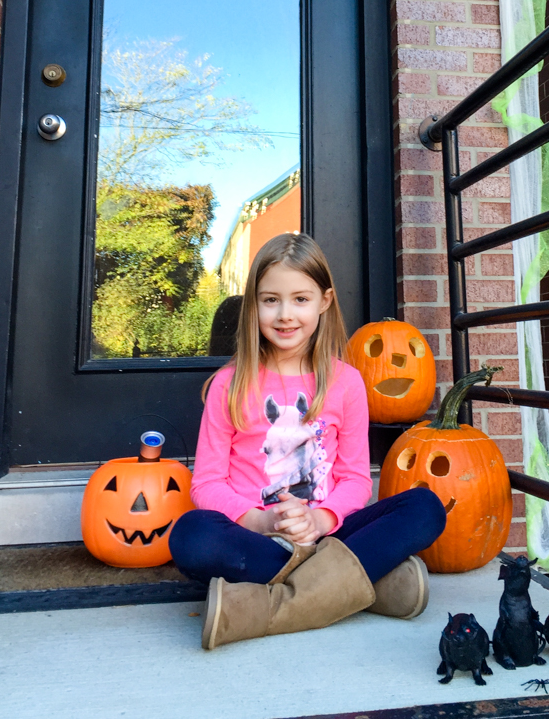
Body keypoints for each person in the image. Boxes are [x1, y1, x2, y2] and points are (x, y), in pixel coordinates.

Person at [169, 232, 446, 651]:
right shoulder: (228, 385)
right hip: (259, 539)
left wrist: (318, 522)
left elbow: (355, 480)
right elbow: (206, 484)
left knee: (425, 508)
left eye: (300, 299)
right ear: (254, 304)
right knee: (190, 536)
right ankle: (356, 589)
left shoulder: (346, 382)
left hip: (329, 534)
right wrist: (264, 522)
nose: (285, 314)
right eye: (270, 300)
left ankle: (271, 605)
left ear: (325, 301)